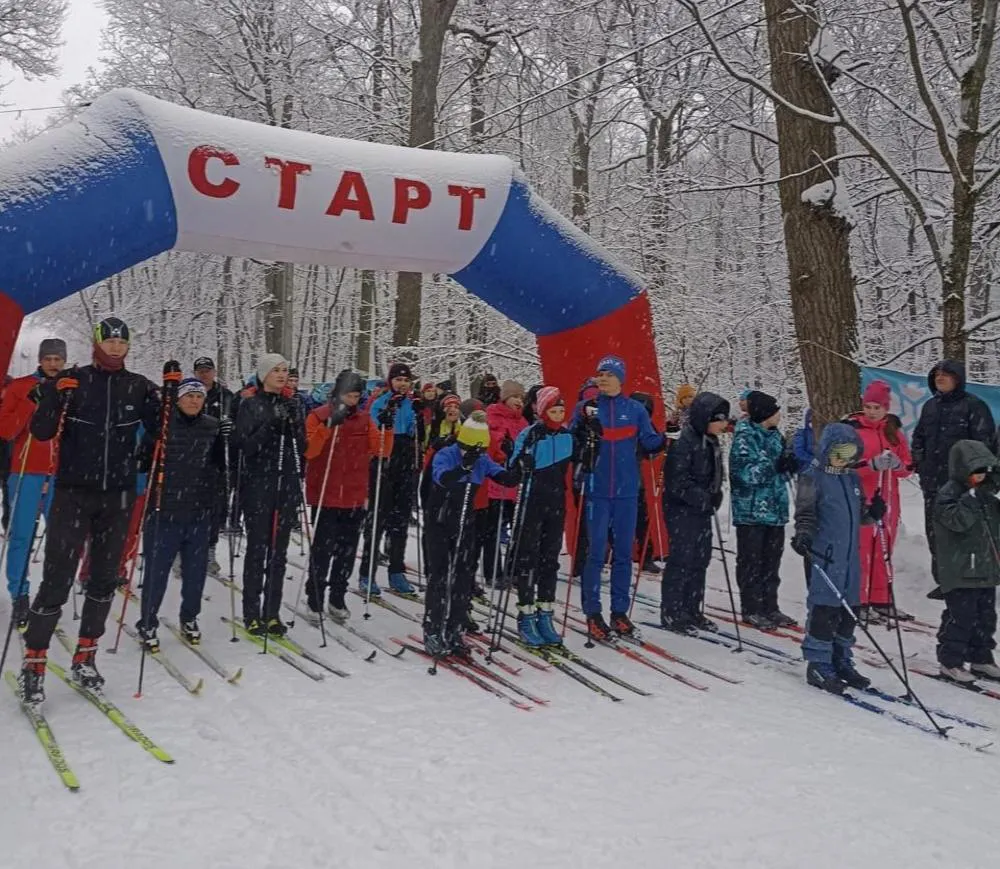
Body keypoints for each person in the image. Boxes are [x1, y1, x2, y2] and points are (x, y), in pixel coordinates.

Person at [18, 318, 161, 702]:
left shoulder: (139, 386)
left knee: (103, 578)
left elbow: (160, 432)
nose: (115, 347)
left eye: (121, 342)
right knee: (57, 578)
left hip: (117, 496)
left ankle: (86, 656)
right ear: (97, 344)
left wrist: (167, 398)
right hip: (73, 494)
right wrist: (52, 397)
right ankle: (34, 661)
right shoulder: (74, 379)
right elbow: (42, 432)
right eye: (109, 341)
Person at [576, 355, 665, 639]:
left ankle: (619, 613)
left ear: (620, 379)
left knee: (624, 554)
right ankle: (592, 613)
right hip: (597, 490)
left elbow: (649, 442)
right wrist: (583, 433)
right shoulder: (587, 408)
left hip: (627, 491)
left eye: (609, 374)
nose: (603, 378)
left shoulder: (635, 410)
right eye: (600, 374)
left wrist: (668, 437)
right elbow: (571, 439)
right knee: (595, 553)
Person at [791, 423, 883, 694]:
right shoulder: (813, 476)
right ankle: (819, 662)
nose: (843, 459)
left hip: (849, 556)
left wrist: (874, 513)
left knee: (848, 608)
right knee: (825, 608)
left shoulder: (851, 478)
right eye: (838, 453)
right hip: (825, 554)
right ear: (827, 449)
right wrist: (803, 535)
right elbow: (805, 513)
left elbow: (861, 515)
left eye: (849, 453)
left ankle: (840, 657)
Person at [136, 378, 227, 648]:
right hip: (164, 511)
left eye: (199, 397)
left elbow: (220, 467)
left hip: (198, 511)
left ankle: (189, 618)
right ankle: (148, 622)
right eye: (189, 396)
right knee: (157, 572)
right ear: (178, 399)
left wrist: (227, 440)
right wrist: (151, 440)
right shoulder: (163, 425)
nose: (194, 401)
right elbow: (142, 461)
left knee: (195, 573)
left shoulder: (212, 426)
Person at [423, 411, 519, 657]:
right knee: (440, 575)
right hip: (440, 521)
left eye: (477, 450)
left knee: (463, 576)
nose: (472, 454)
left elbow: (505, 478)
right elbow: (442, 477)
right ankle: (433, 627)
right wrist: (462, 468)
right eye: (467, 449)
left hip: (465, 522)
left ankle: (455, 627)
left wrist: (517, 463)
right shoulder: (447, 454)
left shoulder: (482, 460)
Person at [304, 370, 392, 622]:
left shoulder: (364, 419)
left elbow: (381, 450)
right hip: (326, 494)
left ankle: (337, 595)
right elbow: (310, 451)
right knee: (323, 549)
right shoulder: (318, 415)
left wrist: (388, 428)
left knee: (346, 551)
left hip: (354, 495)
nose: (352, 400)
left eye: (356, 396)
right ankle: (315, 595)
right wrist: (328, 426)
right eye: (348, 395)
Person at [911, 360, 995, 597]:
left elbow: (984, 445)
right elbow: (919, 437)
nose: (940, 378)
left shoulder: (974, 406)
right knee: (935, 533)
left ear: (958, 379)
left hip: (961, 486)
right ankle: (945, 581)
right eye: (937, 374)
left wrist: (976, 477)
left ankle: (965, 583)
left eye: (946, 374)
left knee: (962, 534)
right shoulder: (930, 406)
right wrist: (919, 460)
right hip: (932, 483)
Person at [235, 354, 305, 636]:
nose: (281, 375)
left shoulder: (293, 404)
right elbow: (245, 446)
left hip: (285, 484)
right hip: (259, 484)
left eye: (284, 370)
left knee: (279, 553)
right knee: (257, 550)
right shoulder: (250, 405)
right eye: (275, 370)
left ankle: (272, 612)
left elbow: (302, 447)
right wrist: (270, 427)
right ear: (264, 375)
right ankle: (251, 612)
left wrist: (293, 426)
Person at [0, 338, 67, 627]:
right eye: (48, 358)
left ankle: (51, 592)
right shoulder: (21, 387)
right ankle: (20, 594)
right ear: (40, 359)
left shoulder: (71, 387)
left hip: (62, 474)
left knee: (61, 538)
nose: (53, 364)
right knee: (22, 536)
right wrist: (31, 402)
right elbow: (6, 430)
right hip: (26, 471)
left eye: (58, 359)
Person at [508, 387, 577, 647]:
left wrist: (591, 448)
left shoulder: (567, 435)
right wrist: (522, 463)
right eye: (553, 411)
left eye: (561, 411)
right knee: (529, 559)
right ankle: (526, 614)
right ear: (542, 411)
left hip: (556, 502)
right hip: (532, 502)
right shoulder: (530, 434)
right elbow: (512, 470)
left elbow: (582, 461)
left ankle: (545, 613)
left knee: (550, 560)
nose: (558, 416)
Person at [660, 392, 731, 634]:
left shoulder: (711, 441)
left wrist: (716, 494)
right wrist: (701, 496)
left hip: (701, 510)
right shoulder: (685, 442)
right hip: (681, 509)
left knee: (701, 559)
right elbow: (677, 480)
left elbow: (716, 473)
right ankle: (673, 611)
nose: (723, 424)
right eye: (719, 420)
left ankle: (692, 608)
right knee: (682, 559)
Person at [844, 380, 913, 621]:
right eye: (868, 407)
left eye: (877, 408)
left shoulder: (893, 433)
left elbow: (907, 467)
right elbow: (842, 465)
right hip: (862, 498)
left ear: (886, 408)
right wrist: (869, 465)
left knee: (883, 548)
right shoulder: (853, 431)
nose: (872, 412)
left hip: (888, 499)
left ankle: (881, 598)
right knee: (862, 549)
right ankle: (859, 599)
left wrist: (898, 465)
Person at [932, 440, 1000, 684]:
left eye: (985, 473)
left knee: (986, 617)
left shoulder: (986, 496)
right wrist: (970, 499)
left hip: (985, 567)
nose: (980, 478)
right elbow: (957, 522)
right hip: (960, 569)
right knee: (961, 617)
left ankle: (981, 657)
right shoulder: (949, 494)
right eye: (975, 472)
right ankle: (950, 661)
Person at [729, 391, 799, 629]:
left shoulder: (776, 436)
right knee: (751, 561)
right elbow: (744, 474)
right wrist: (773, 465)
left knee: (771, 563)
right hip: (751, 511)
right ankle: (752, 607)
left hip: (775, 510)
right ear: (765, 413)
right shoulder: (745, 437)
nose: (779, 415)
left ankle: (771, 606)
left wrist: (789, 465)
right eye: (775, 411)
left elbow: (780, 471)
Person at [360, 362, 417, 596]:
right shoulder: (381, 402)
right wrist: (385, 419)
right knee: (378, 519)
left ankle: (396, 570)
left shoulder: (412, 403)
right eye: (398, 379)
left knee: (400, 520)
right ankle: (367, 571)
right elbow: (372, 430)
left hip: (405, 461)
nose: (402, 384)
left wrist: (420, 423)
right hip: (384, 461)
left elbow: (417, 432)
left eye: (406, 380)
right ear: (391, 381)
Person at [193, 356, 235, 576]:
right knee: (190, 507)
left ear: (214, 372)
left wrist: (230, 428)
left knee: (216, 509)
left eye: (207, 370)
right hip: (192, 457)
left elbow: (237, 422)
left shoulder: (225, 396)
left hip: (218, 459)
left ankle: (209, 550)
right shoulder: (190, 393)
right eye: (200, 370)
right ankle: (186, 551)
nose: (204, 374)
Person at [485, 380, 528, 559]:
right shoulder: (493, 414)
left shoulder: (522, 421)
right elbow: (489, 441)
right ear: (505, 398)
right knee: (492, 530)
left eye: (521, 398)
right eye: (515, 397)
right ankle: (492, 566)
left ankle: (513, 565)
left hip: (516, 479)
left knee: (517, 527)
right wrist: (501, 444)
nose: (519, 401)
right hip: (498, 478)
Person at [792, 408, 815, 473]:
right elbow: (798, 451)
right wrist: (813, 459)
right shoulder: (802, 433)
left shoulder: (824, 432)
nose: (812, 423)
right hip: (805, 469)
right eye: (810, 420)